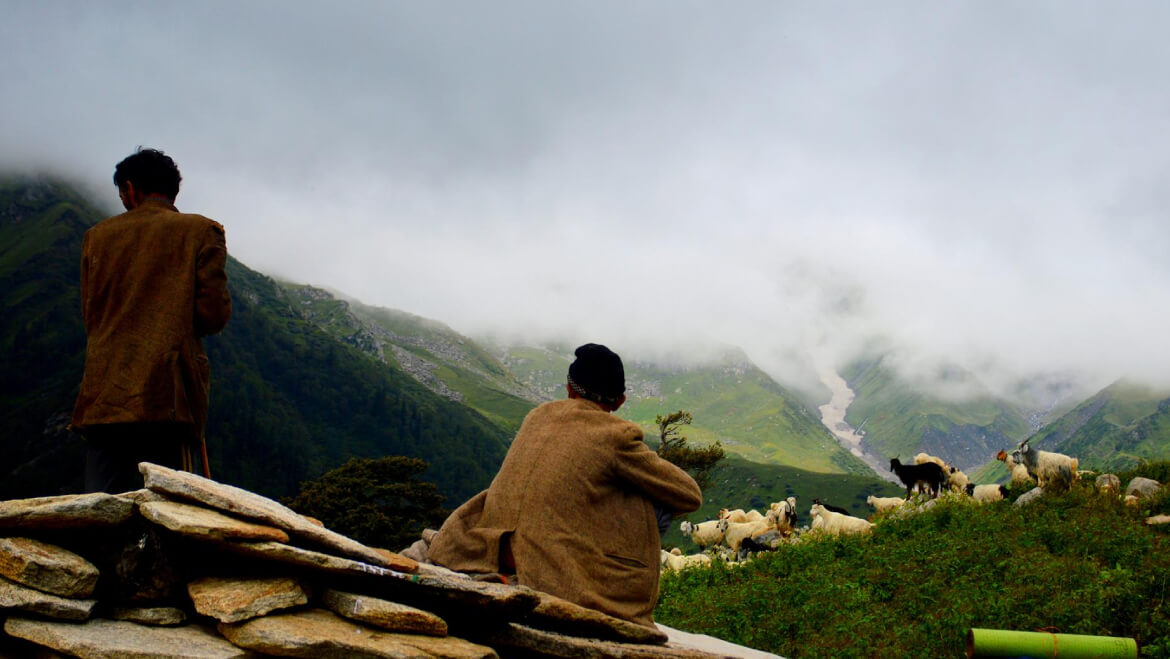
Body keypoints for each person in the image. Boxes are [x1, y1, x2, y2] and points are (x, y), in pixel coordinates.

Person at [427, 343, 702, 629]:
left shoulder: (537, 416)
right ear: (619, 401)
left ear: (569, 388)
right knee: (647, 500)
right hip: (552, 570)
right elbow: (689, 496)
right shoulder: (615, 435)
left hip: (487, 551)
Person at [71, 148, 231, 493]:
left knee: (98, 505)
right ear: (173, 190)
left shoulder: (97, 237)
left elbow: (91, 315)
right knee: (170, 505)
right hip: (169, 394)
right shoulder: (201, 232)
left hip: (104, 395)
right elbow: (213, 316)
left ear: (130, 189)